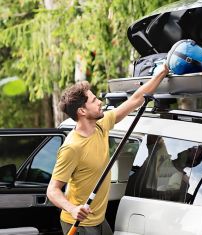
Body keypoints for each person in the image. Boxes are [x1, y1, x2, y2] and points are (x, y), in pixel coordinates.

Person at [46, 64, 169, 235]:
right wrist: (72, 209)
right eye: (94, 100)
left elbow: (135, 99)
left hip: (99, 219)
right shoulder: (72, 147)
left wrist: (161, 73)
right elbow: (52, 190)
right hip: (79, 224)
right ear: (82, 111)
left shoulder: (100, 126)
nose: (100, 102)